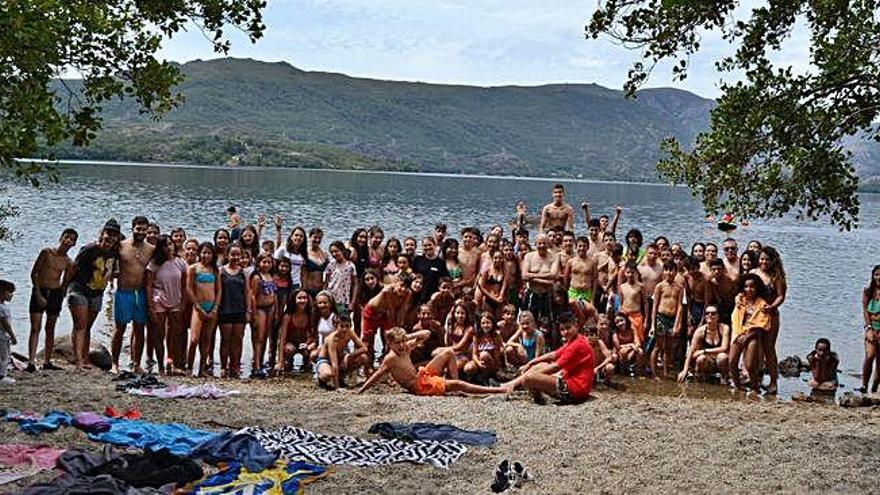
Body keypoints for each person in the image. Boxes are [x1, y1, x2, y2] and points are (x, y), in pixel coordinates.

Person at [358, 327, 509, 396]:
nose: (401, 345)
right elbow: (377, 375)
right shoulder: (390, 358)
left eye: (402, 342)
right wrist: (361, 390)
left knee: (449, 352)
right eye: (397, 343)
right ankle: (496, 390)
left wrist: (406, 338)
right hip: (419, 386)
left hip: (422, 375)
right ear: (390, 343)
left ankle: (453, 385)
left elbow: (426, 334)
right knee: (459, 384)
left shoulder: (404, 348)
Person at [503, 316, 594, 404]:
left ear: (576, 326)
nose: (565, 332)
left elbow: (555, 367)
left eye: (568, 328)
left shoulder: (577, 344)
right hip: (571, 381)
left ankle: (515, 386)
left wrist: (532, 375)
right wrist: (531, 363)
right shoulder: (575, 340)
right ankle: (514, 385)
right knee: (539, 365)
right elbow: (553, 355)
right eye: (562, 329)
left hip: (575, 390)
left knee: (528, 378)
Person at [68, 222, 120, 369]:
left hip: (97, 293)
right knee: (80, 325)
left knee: (87, 327)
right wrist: (64, 288)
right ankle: (78, 360)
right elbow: (73, 268)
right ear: (102, 233)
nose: (110, 237)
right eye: (108, 233)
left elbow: (112, 271)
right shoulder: (89, 249)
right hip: (79, 290)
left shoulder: (114, 253)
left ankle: (84, 358)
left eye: (114, 234)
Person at [109, 216, 155, 374]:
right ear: (133, 228)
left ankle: (136, 363)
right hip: (124, 292)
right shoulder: (122, 246)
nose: (141, 232)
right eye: (138, 229)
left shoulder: (150, 249)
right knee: (119, 328)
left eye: (144, 229)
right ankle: (114, 363)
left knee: (139, 329)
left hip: (140, 293)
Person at [27, 228, 77, 372]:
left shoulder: (68, 262)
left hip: (55, 293)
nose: (68, 241)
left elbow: (65, 283)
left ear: (73, 244)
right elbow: (34, 273)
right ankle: (31, 361)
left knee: (50, 328)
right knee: (35, 327)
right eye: (66, 237)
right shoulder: (46, 253)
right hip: (40, 290)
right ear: (61, 238)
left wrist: (60, 298)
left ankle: (47, 361)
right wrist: (38, 294)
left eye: (71, 239)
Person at [144, 235, 187, 375]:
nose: (168, 247)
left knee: (174, 332)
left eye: (170, 244)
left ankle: (172, 361)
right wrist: (150, 306)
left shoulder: (180, 263)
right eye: (165, 245)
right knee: (158, 333)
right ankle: (160, 364)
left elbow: (184, 286)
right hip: (158, 299)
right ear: (160, 248)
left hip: (175, 299)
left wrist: (183, 304)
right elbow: (149, 286)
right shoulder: (154, 264)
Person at [727, 274, 772, 392]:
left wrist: (747, 336)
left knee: (750, 365)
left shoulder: (762, 303)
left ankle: (755, 387)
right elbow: (735, 317)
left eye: (752, 287)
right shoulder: (741, 299)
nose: (749, 289)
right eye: (746, 286)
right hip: (739, 332)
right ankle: (737, 386)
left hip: (753, 335)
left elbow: (762, 325)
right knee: (732, 361)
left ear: (757, 288)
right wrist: (740, 335)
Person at [185, 242, 221, 377]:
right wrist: (197, 306)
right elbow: (188, 288)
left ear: (213, 255)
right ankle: (189, 368)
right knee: (194, 339)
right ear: (199, 253)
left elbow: (219, 290)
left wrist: (215, 307)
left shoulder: (215, 270)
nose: (206, 255)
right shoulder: (193, 268)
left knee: (206, 340)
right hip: (198, 307)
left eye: (209, 253)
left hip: (212, 307)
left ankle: (202, 369)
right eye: (204, 252)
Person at [361, 279, 411, 373]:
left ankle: (386, 366)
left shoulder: (408, 293)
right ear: (396, 282)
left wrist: (398, 327)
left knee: (391, 339)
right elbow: (390, 310)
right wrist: (394, 328)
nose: (403, 289)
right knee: (368, 339)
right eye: (401, 285)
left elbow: (401, 310)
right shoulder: (387, 291)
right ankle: (368, 367)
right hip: (372, 313)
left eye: (406, 287)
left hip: (385, 315)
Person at [217, 245, 249, 379]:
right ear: (227, 255)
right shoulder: (221, 271)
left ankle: (235, 366)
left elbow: (247, 293)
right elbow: (217, 291)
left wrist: (248, 311)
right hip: (225, 309)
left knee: (238, 340)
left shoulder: (244, 272)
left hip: (239, 309)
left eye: (238, 255)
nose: (235, 258)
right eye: (232, 255)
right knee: (226, 340)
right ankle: (224, 366)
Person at [677, 305, 730, 383]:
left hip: (720, 361)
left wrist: (704, 351)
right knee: (700, 359)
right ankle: (703, 378)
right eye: (707, 313)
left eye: (713, 313)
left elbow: (724, 348)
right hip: (707, 361)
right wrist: (685, 370)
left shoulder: (724, 328)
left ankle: (724, 378)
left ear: (718, 316)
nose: (710, 315)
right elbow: (691, 352)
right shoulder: (700, 331)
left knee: (722, 356)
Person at [316, 314, 369, 389]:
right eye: (341, 326)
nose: (344, 329)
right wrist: (337, 388)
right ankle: (321, 378)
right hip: (326, 360)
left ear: (350, 326)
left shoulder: (350, 332)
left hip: (340, 358)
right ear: (336, 326)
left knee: (363, 357)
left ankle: (343, 376)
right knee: (327, 375)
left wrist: (351, 355)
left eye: (347, 326)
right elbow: (334, 363)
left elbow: (364, 348)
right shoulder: (332, 339)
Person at [650, 261, 683, 377]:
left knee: (668, 347)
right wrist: (653, 325)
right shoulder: (660, 286)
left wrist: (677, 324)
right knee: (658, 346)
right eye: (667, 270)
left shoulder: (679, 288)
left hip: (672, 319)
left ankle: (665, 372)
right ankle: (654, 373)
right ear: (664, 271)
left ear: (676, 272)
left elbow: (680, 307)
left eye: (672, 270)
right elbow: (654, 306)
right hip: (661, 317)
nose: (669, 273)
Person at [249, 253, 277, 378]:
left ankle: (260, 361)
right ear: (259, 263)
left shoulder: (271, 276)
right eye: (264, 262)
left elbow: (274, 295)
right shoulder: (257, 277)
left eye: (269, 262)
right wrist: (253, 314)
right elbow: (253, 296)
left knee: (266, 336)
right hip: (260, 309)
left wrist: (275, 311)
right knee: (259, 337)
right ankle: (256, 365)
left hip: (270, 308)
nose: (266, 265)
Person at [277, 290, 317, 373]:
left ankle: (307, 361)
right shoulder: (288, 316)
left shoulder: (310, 314)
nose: (302, 300)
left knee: (310, 352)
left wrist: (307, 344)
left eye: (305, 298)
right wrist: (280, 361)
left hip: (304, 343)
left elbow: (313, 335)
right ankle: (288, 361)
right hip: (290, 343)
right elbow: (282, 339)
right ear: (294, 300)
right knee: (289, 349)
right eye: (299, 298)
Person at [521, 234, 557, 323]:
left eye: (544, 243)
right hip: (532, 293)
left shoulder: (554, 257)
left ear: (548, 244)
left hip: (547, 294)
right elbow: (524, 276)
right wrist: (545, 278)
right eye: (539, 243)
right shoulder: (529, 256)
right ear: (535, 244)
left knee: (548, 321)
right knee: (528, 321)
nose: (542, 246)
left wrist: (532, 276)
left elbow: (553, 275)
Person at [464, 313, 504, 383]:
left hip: (491, 363)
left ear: (492, 324)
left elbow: (497, 354)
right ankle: (474, 380)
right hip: (479, 361)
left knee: (484, 355)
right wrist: (478, 362)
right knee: (468, 368)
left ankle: (487, 378)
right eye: (483, 323)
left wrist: (497, 369)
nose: (485, 325)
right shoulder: (476, 336)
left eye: (488, 323)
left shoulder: (496, 335)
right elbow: (474, 354)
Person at [324, 241, 357, 314]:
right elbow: (326, 283)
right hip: (330, 300)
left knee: (342, 322)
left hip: (343, 300)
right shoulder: (330, 265)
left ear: (342, 250)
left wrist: (352, 303)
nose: (334, 254)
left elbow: (355, 285)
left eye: (336, 251)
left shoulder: (350, 266)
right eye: (332, 252)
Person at [861, 265, 880, 393]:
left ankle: (874, 388)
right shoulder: (868, 291)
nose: (879, 277)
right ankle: (864, 385)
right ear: (873, 276)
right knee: (870, 355)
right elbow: (865, 310)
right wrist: (869, 328)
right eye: (877, 274)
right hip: (872, 326)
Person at [619, 261, 647, 346]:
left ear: (636, 273)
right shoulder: (622, 286)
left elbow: (645, 304)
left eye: (632, 272)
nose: (630, 274)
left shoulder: (640, 286)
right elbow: (620, 303)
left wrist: (646, 320)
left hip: (637, 316)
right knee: (627, 340)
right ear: (625, 273)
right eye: (628, 272)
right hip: (625, 317)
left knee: (639, 341)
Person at [273, 218, 306, 289]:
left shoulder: (303, 253)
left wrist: (303, 286)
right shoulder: (283, 249)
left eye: (301, 236)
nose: (298, 238)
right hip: (282, 282)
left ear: (304, 239)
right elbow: (274, 264)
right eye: (296, 235)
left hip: (296, 284)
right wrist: (278, 230)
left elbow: (302, 272)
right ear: (291, 237)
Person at [564, 236, 598, 305]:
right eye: (580, 246)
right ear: (576, 247)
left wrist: (592, 298)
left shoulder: (592, 262)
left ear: (588, 247)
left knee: (587, 312)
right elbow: (566, 278)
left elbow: (595, 280)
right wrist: (566, 293)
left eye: (584, 246)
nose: (582, 248)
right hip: (573, 292)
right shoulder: (571, 261)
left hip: (586, 293)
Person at [477, 249, 509, 317]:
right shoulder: (487, 271)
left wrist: (501, 295)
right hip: (488, 299)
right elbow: (481, 286)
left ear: (503, 258)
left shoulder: (505, 271)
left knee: (498, 319)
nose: (498, 260)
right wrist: (493, 298)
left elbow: (504, 285)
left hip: (500, 300)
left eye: (500, 258)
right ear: (492, 258)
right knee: (488, 318)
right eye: (495, 258)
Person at [0, 280, 17, 385]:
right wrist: (13, 336)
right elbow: (6, 324)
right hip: (2, 336)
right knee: (5, 356)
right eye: (10, 292)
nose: (12, 295)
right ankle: (2, 376)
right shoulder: (2, 308)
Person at [303, 228, 328, 296]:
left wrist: (324, 289)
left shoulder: (324, 255)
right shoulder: (305, 253)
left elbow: (328, 273)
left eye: (319, 238)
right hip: (308, 289)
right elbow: (303, 275)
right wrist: (305, 291)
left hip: (320, 290)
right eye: (315, 237)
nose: (317, 240)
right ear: (310, 237)